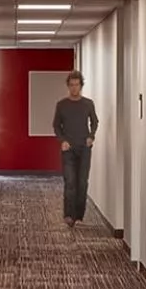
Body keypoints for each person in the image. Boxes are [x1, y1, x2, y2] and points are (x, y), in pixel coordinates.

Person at [52, 71, 98, 226]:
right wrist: (62, 140)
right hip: (68, 148)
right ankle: (69, 215)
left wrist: (91, 137)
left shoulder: (88, 104)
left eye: (77, 85)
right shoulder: (62, 105)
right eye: (71, 85)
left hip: (84, 148)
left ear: (81, 86)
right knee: (70, 181)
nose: (74, 88)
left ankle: (79, 216)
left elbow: (95, 122)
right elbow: (56, 126)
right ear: (68, 86)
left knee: (82, 182)